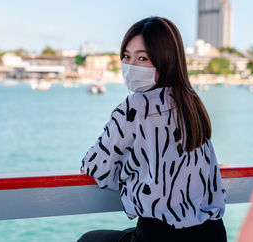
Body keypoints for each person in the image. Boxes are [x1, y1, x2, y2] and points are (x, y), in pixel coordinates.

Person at [78, 16, 227, 242]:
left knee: (89, 239)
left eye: (142, 58)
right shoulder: (191, 101)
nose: (131, 66)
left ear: (165, 60)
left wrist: (128, 170)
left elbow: (96, 166)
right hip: (212, 233)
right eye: (127, 57)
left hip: (160, 236)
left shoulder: (136, 105)